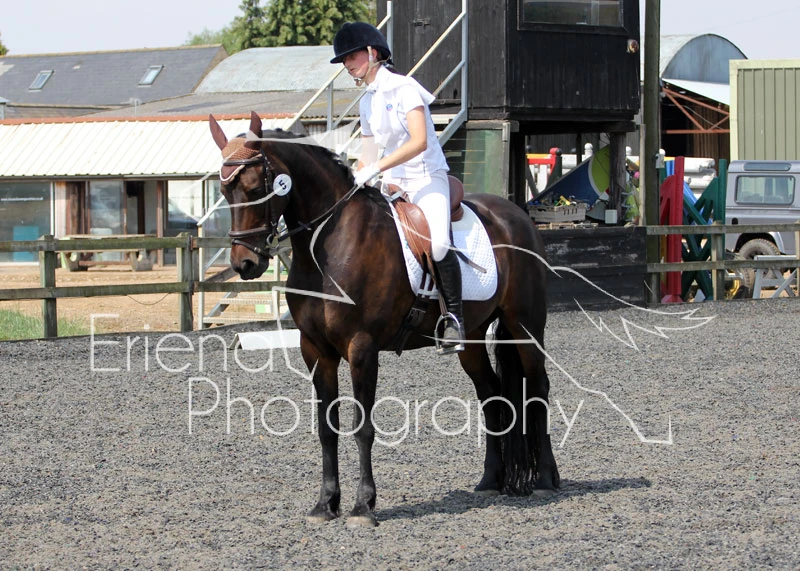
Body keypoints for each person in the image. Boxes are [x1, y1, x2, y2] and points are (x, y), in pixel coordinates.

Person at [330, 22, 465, 354]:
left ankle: (454, 319)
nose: (347, 64)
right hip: (392, 183)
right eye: (344, 59)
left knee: (438, 244)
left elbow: (419, 141)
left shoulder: (405, 89)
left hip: (426, 177)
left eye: (352, 56)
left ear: (373, 53)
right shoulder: (367, 102)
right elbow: (368, 154)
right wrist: (354, 180)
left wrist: (376, 167)